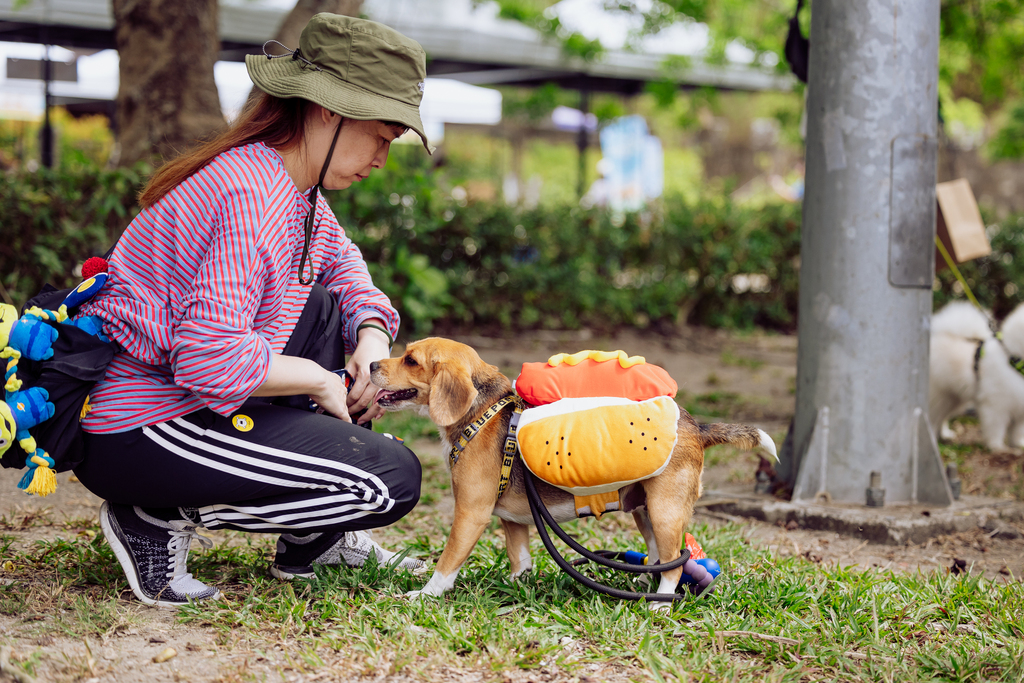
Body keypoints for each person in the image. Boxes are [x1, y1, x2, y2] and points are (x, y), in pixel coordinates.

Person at [72, 14, 432, 607]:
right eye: (383, 136)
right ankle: (151, 514)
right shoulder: (251, 195)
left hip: (190, 402)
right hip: (142, 426)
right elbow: (209, 360)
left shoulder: (292, 187)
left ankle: (317, 539)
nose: (382, 159)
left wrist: (371, 338)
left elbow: (345, 269)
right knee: (388, 481)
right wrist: (318, 378)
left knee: (323, 306)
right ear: (329, 110)